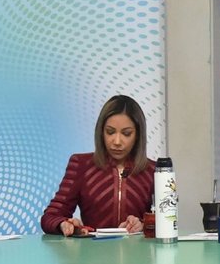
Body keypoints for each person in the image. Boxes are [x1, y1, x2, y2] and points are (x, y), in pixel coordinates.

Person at [41, 95, 155, 236]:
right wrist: (63, 224)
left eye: (126, 134)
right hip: (92, 249)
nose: (117, 141)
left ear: (138, 135)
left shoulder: (154, 171)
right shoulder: (81, 165)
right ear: (101, 132)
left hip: (137, 250)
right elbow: (50, 217)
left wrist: (143, 225)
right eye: (110, 132)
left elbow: (167, 221)